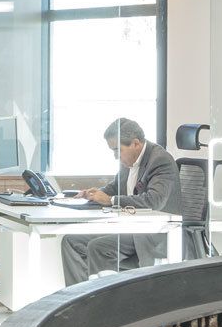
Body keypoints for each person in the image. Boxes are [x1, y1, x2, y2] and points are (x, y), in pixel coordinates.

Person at [60, 117, 180, 286]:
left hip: (154, 233)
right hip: (131, 229)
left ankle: (104, 298)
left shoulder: (160, 160)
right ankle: (78, 296)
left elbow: (154, 201)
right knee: (72, 241)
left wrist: (111, 200)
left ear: (135, 143)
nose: (116, 156)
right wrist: (95, 194)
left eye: (117, 150)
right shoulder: (129, 160)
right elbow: (116, 187)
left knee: (98, 247)